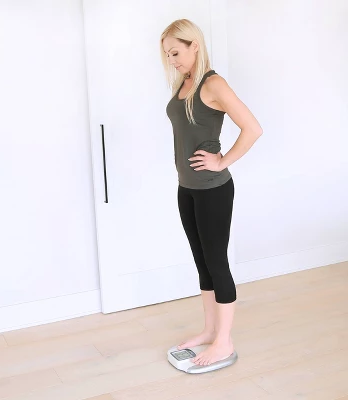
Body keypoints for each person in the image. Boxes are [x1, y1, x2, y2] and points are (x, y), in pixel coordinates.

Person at [160, 19, 263, 367]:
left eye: (176, 52)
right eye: (167, 54)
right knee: (202, 263)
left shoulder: (213, 83)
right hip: (187, 189)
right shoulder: (185, 83)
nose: (172, 60)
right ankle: (209, 330)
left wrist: (222, 161)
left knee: (217, 263)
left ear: (195, 45)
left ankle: (224, 341)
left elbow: (253, 128)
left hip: (213, 191)